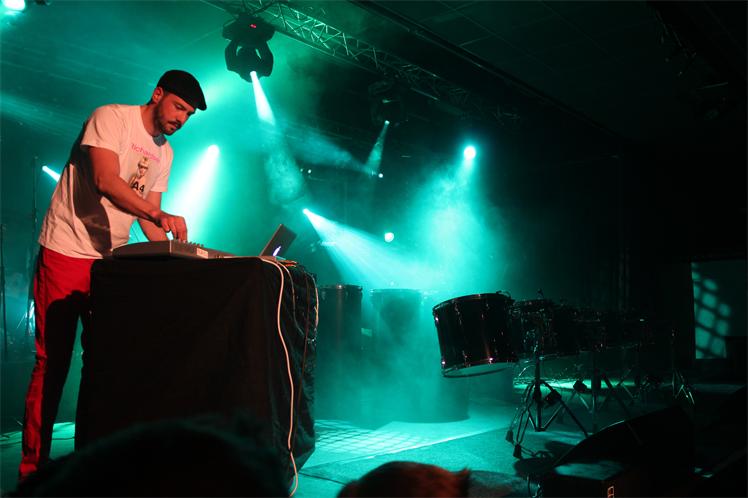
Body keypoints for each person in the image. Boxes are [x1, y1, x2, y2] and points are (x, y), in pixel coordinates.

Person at [18, 69, 207, 480]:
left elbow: (150, 221)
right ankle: (33, 472)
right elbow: (105, 180)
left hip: (108, 264)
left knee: (103, 362)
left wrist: (180, 251)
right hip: (65, 249)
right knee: (52, 364)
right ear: (157, 94)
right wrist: (157, 213)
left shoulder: (165, 153)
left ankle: (89, 463)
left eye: (188, 115)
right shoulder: (110, 117)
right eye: (178, 107)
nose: (181, 119)